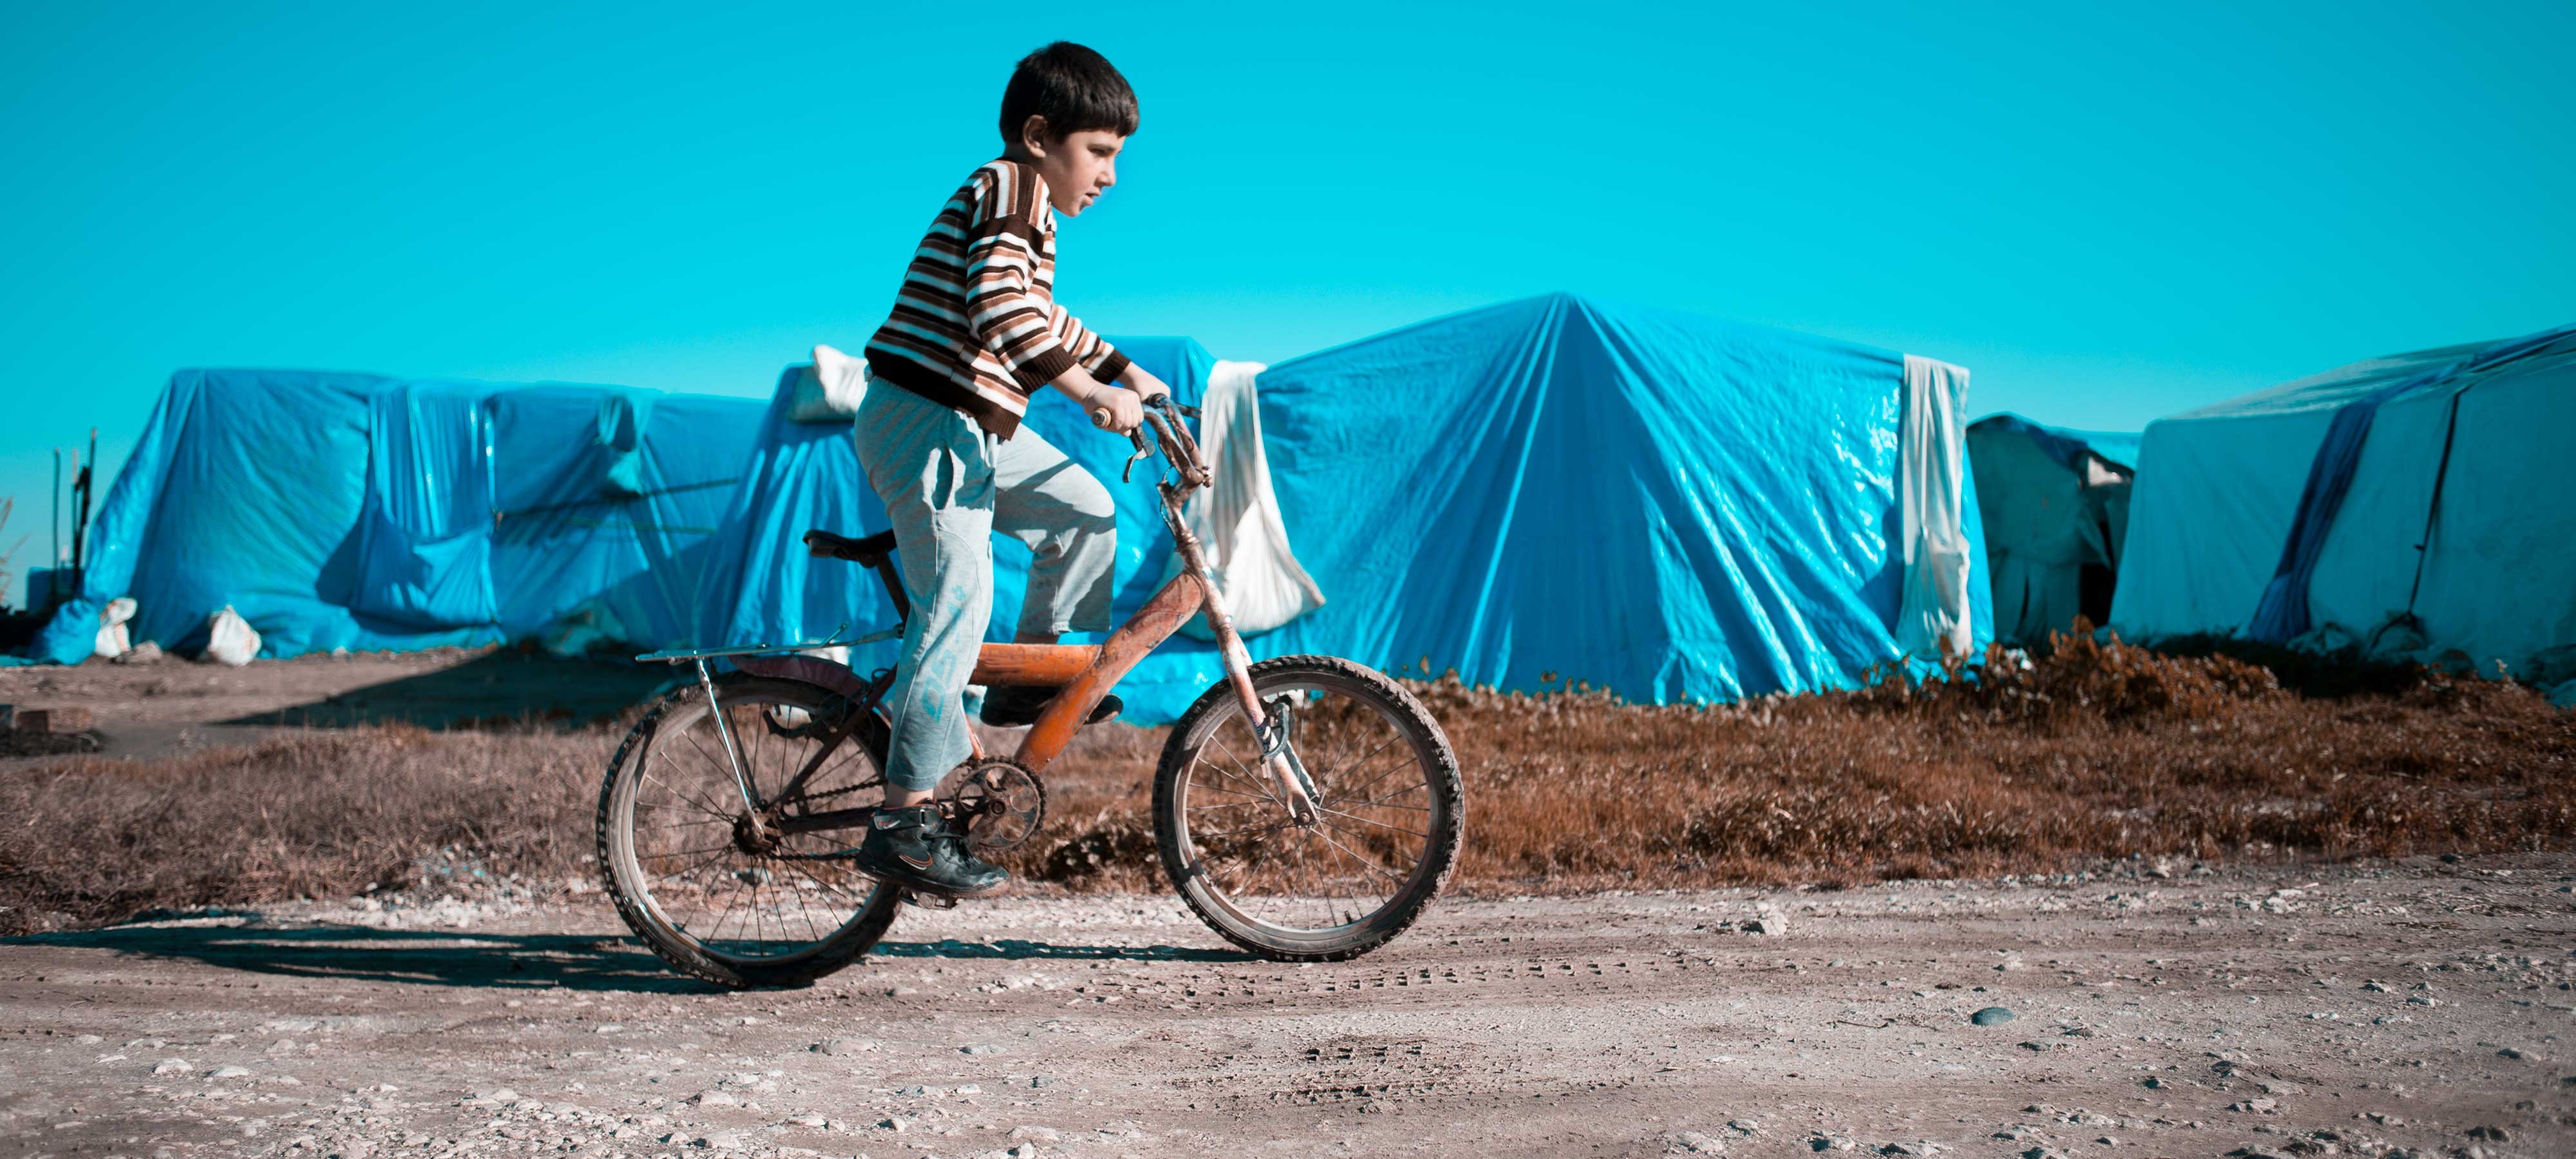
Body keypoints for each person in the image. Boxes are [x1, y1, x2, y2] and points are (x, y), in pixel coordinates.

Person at [848, 42, 1170, 897]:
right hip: (923, 417)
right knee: (958, 601)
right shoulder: (1008, 184)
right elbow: (999, 306)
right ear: (1039, 135)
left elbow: (1041, 313)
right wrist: (1084, 391)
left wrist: (1124, 371)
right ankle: (903, 819)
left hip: (973, 425)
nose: (1109, 174)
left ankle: (1027, 683)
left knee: (1086, 510)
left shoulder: (1037, 218)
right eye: (1099, 152)